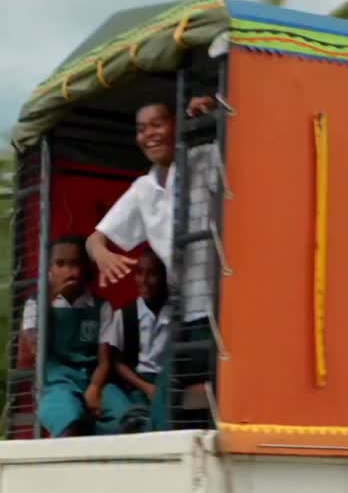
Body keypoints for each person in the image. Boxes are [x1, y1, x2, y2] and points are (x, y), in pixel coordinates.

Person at [86, 95, 216, 430]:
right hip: (187, 312)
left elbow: (243, 146)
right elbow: (94, 239)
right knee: (168, 401)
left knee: (223, 399)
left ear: (176, 125)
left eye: (157, 124)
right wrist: (102, 253)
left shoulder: (204, 156)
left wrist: (215, 113)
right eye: (141, 129)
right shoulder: (143, 188)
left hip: (224, 305)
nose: (149, 135)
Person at [21, 236, 132, 437]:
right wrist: (51, 299)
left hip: (94, 379)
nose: (68, 271)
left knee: (126, 419)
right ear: (49, 270)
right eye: (60, 264)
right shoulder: (35, 305)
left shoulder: (101, 307)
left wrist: (95, 388)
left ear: (86, 269)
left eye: (75, 264)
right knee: (69, 422)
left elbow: (105, 360)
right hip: (56, 383)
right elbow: (33, 350)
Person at [108, 248, 170, 424]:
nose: (144, 281)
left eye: (152, 274)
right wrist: (147, 388)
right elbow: (118, 363)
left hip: (167, 379)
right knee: (137, 417)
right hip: (138, 383)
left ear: (165, 277)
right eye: (139, 273)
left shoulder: (175, 314)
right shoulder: (125, 315)